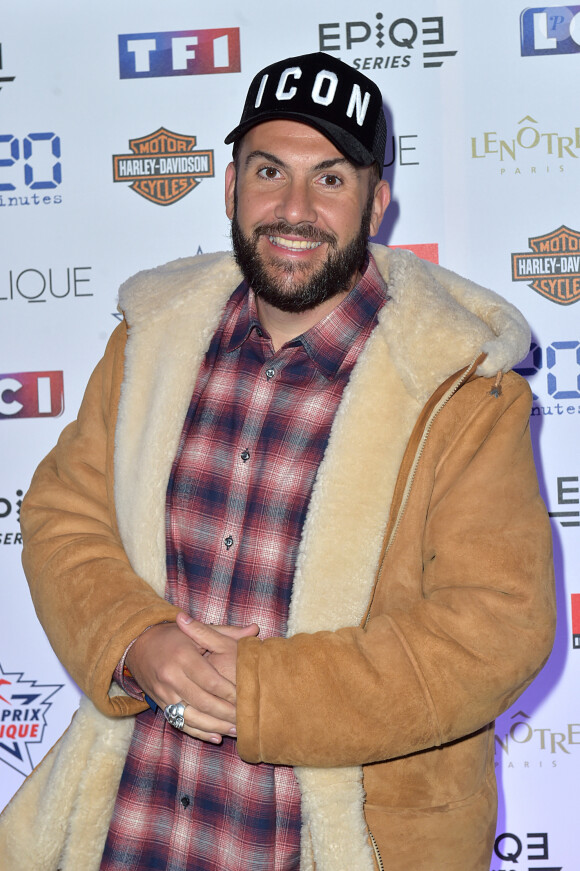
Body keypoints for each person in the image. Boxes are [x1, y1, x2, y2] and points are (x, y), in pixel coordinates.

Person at [0, 52, 555, 871]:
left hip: (344, 842)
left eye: (330, 179)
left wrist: (259, 692)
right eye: (270, 171)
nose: (295, 209)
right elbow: (60, 512)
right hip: (135, 825)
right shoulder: (152, 338)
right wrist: (134, 638)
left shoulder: (461, 389)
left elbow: (498, 629)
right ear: (231, 189)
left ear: (378, 202)